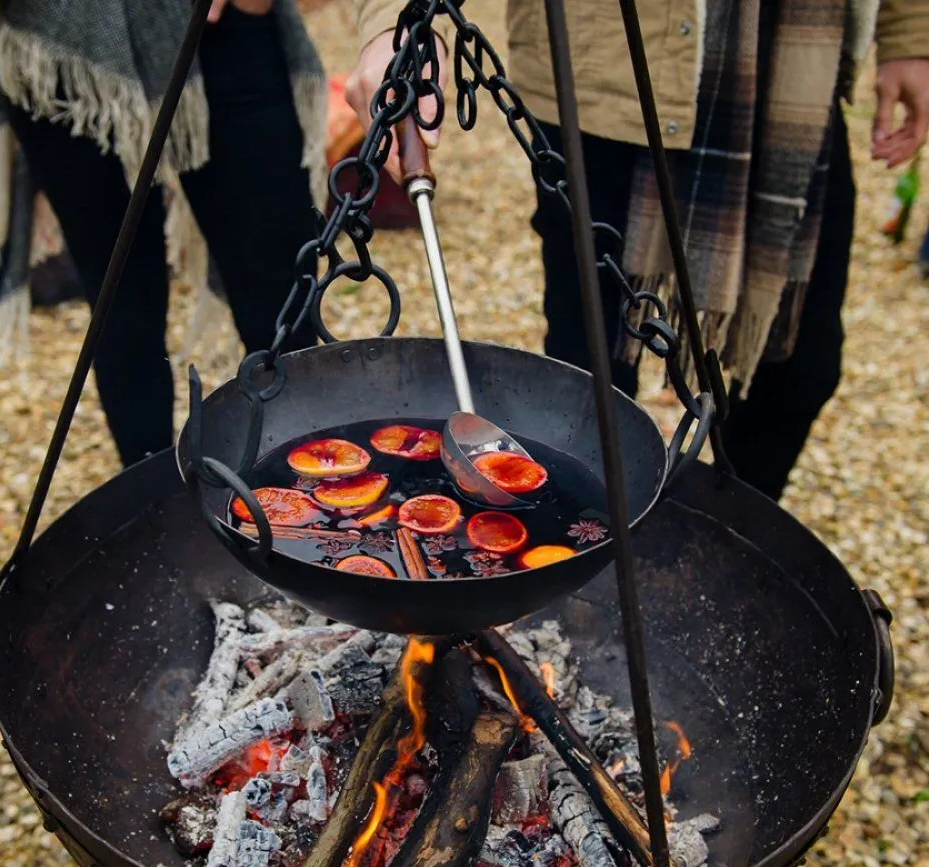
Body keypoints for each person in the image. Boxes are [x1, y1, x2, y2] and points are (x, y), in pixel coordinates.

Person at [346, 1, 929, 500]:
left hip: (795, 84)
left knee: (800, 369)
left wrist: (909, 33)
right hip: (605, 81)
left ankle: (704, 544)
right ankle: (590, 565)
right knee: (592, 378)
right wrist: (396, 24)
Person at [0, 0, 327, 467]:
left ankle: (309, 489)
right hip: (63, 48)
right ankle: (156, 505)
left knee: (279, 287)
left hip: (220, 31)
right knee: (120, 302)